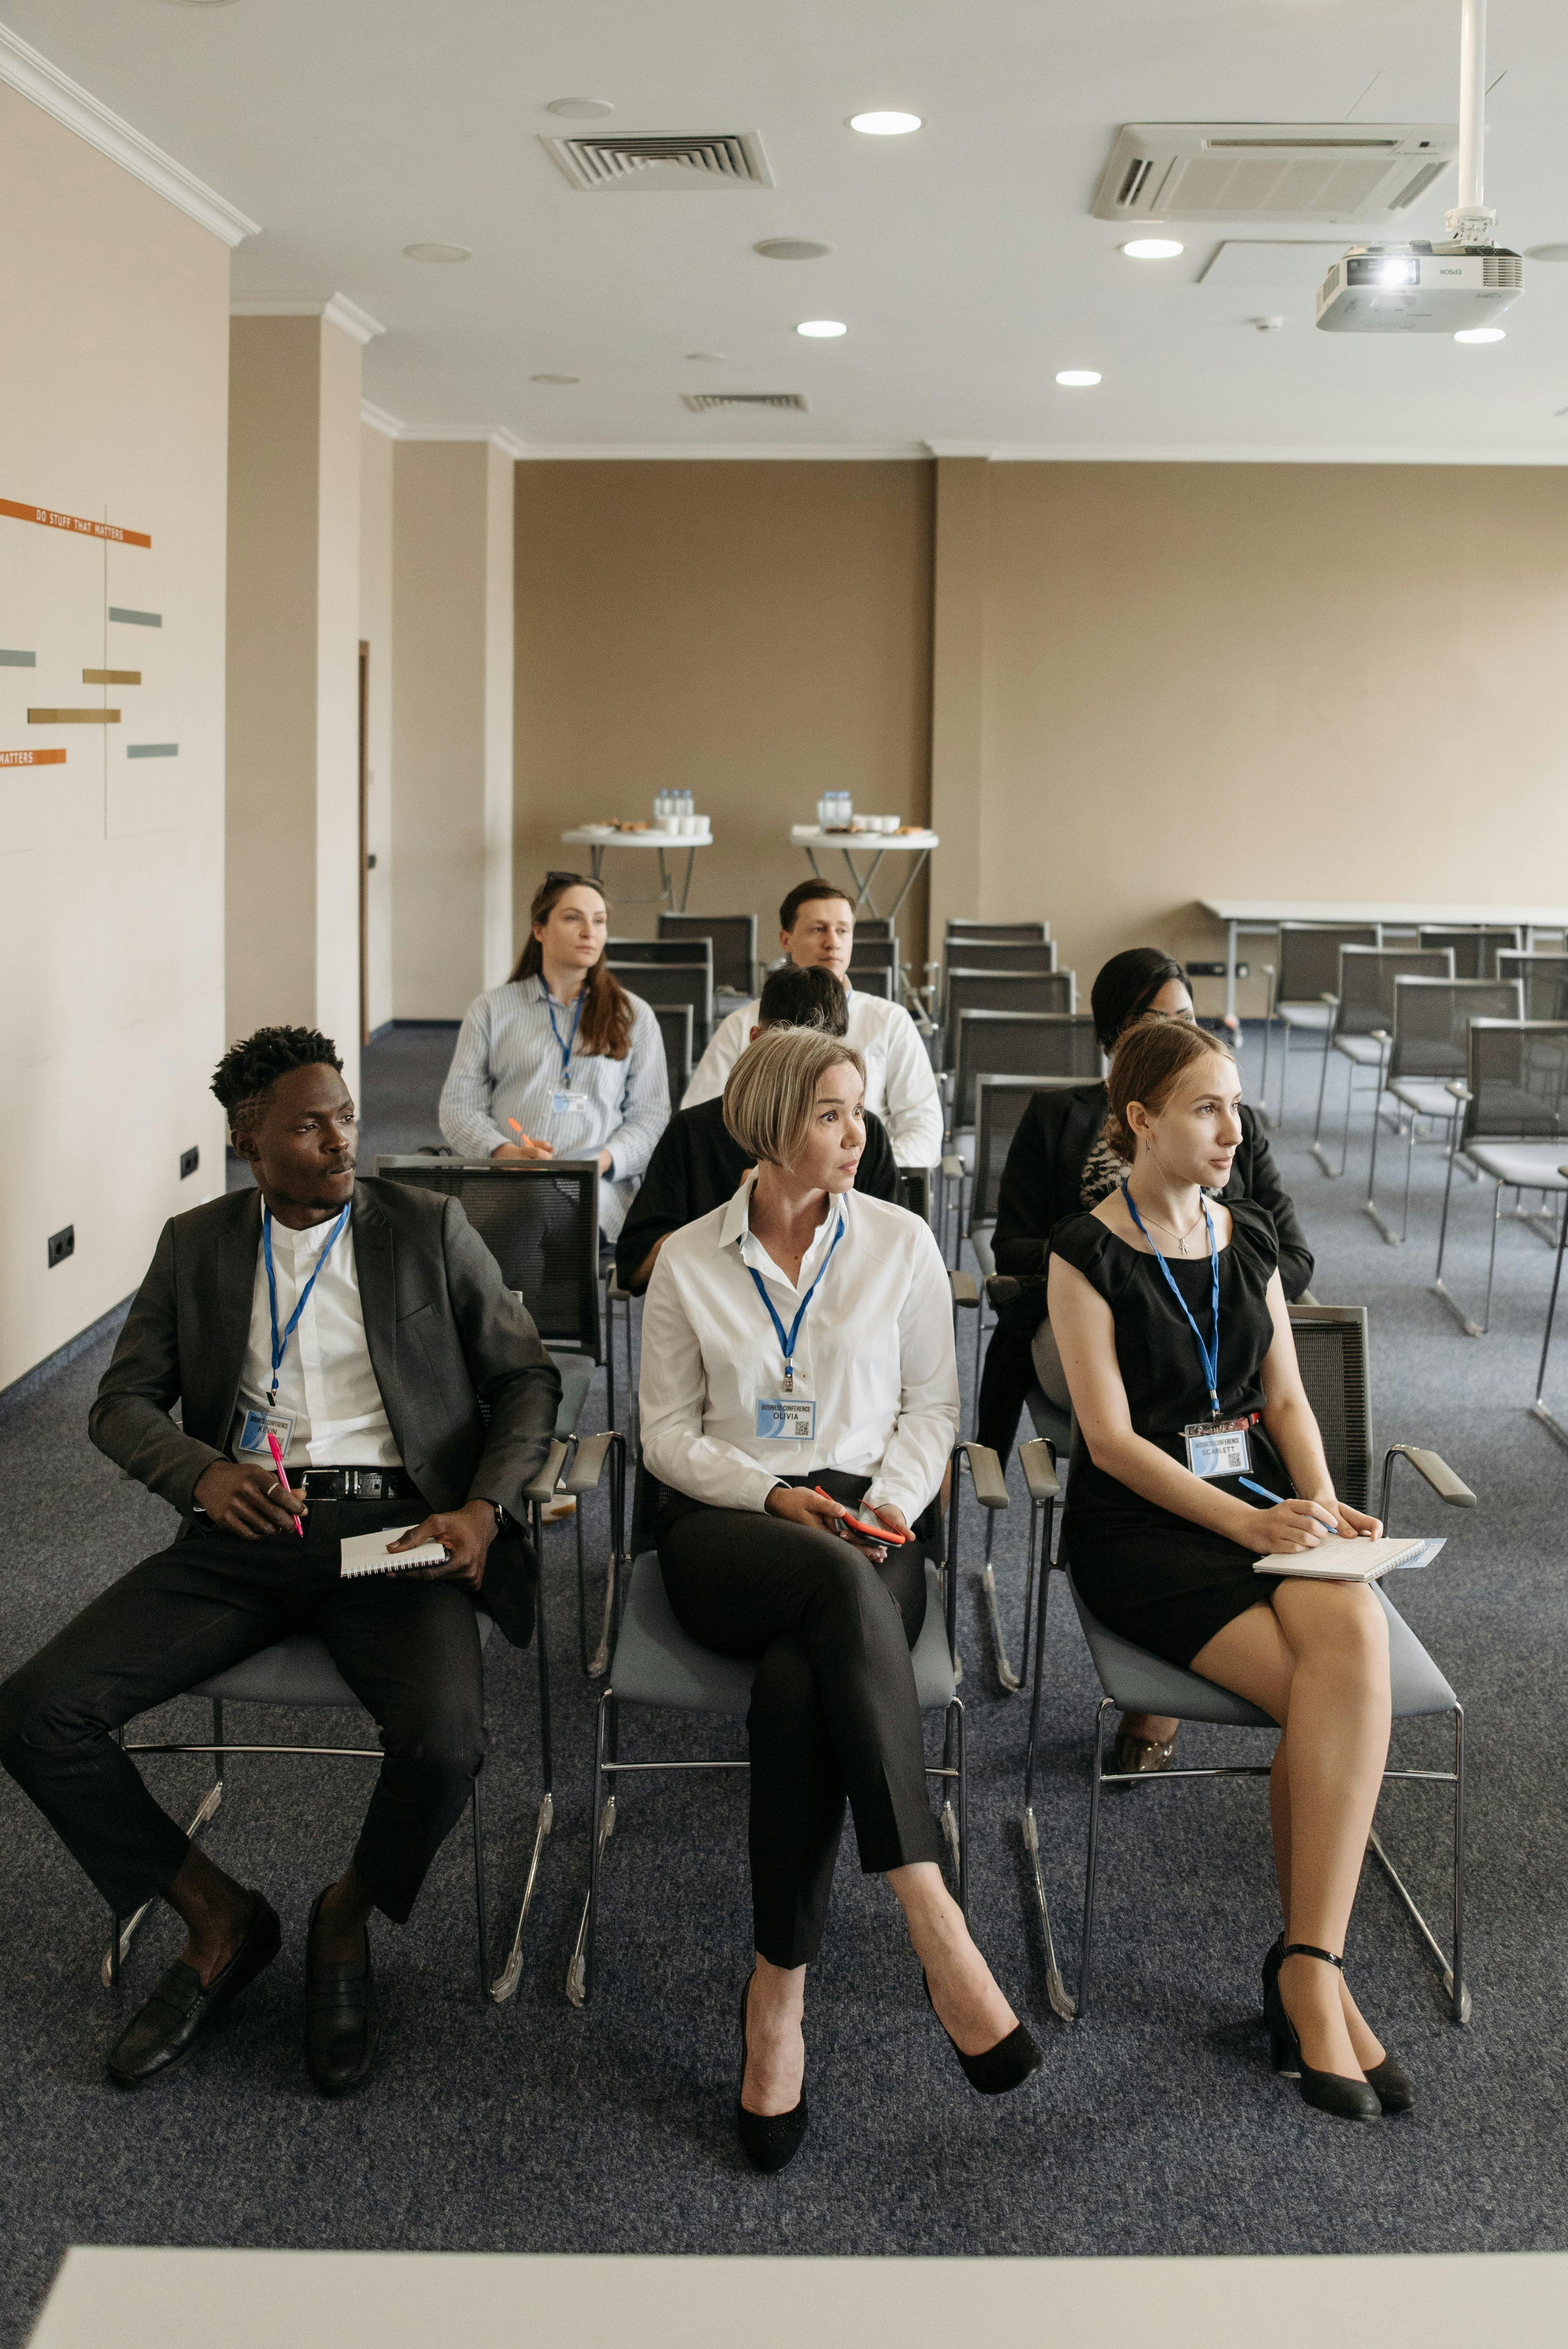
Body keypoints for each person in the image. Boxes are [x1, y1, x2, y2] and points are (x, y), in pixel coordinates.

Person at [0, 1027, 560, 2097]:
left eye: (345, 1114)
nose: (342, 1137)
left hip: (396, 1531)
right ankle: (219, 1919)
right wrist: (198, 1474)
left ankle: (343, 1915)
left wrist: (485, 1508)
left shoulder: (427, 1227)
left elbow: (526, 1382)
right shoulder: (199, 1242)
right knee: (35, 1712)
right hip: (247, 1527)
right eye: (309, 1125)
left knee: (445, 1745)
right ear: (250, 1141)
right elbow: (119, 1403)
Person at [640, 1024, 1041, 2173]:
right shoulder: (690, 1261)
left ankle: (777, 1998)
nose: (857, 1132)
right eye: (830, 1113)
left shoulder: (903, 1243)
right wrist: (775, 1496)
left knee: (794, 1690)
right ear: (771, 1125)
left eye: (860, 1110)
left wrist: (890, 1509)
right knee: (822, 1585)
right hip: (730, 1526)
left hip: (876, 1518)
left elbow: (930, 1409)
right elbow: (664, 1436)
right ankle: (934, 1916)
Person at [1048, 1015, 1409, 2123]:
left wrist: (1318, 1504)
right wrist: (1248, 1529)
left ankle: (1311, 1960)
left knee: (1350, 1632)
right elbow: (1108, 1442)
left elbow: (1287, 1398)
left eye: (1234, 1106)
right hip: (1145, 1533)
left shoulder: (1244, 1236)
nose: (1228, 1127)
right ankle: (1310, 1981)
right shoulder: (1085, 1252)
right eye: (1205, 1106)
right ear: (1141, 1117)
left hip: (1257, 1509)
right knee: (1327, 1685)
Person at [978, 947, 1313, 1781]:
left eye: (1187, 1016)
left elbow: (1287, 1262)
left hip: (1217, 1358)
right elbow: (1016, 1244)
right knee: (1333, 1686)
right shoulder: (1064, 1126)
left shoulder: (1237, 1193)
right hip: (1084, 1322)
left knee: (1344, 1663)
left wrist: (1223, 1283)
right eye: (1158, 1021)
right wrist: (1112, 1263)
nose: (1231, 1126)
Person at [615, 963, 899, 1293]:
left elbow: (891, 1264)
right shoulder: (693, 1132)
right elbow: (636, 1269)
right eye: (789, 1060)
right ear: (756, 1043)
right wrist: (734, 1221)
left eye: (824, 1057)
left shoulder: (866, 1135)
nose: (854, 1134)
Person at [439, 872, 668, 1243]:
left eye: (599, 921)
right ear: (540, 930)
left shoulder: (633, 1016)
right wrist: (505, 1152)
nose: (589, 931)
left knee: (530, 1214)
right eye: (573, 918)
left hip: (597, 1191)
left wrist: (601, 1161)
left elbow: (652, 1117)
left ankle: (502, 1303)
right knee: (526, 1208)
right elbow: (458, 1108)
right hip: (505, 1180)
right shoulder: (493, 1009)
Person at [681, 879, 943, 1169]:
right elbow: (701, 1123)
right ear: (786, 940)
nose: (833, 942)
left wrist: (861, 1173)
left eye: (843, 931)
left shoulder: (890, 1021)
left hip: (862, 1178)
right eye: (819, 929)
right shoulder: (743, 1024)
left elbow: (923, 1125)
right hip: (765, 1180)